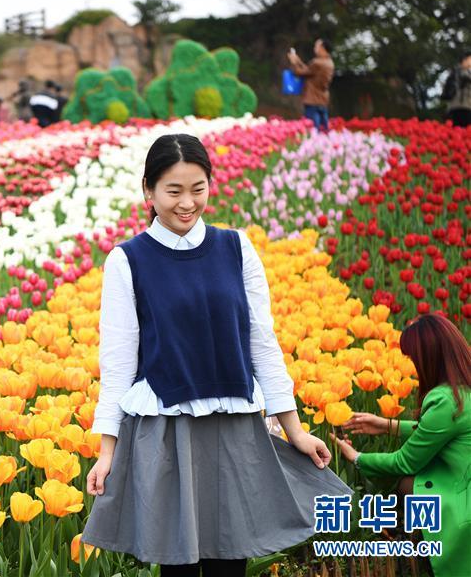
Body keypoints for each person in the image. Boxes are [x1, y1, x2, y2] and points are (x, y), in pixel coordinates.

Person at [81, 134, 352, 577]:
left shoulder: (236, 248)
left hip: (236, 428)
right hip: (168, 431)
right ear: (148, 190)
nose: (187, 203)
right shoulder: (128, 260)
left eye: (198, 188)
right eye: (173, 191)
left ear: (210, 184)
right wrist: (107, 451)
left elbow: (262, 343)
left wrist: (295, 430)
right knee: (180, 566)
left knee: (232, 560)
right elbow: (118, 365)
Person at [333, 314, 471, 577]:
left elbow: (405, 461)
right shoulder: (463, 387)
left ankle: (419, 551)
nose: (412, 366)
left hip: (464, 501)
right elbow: (437, 431)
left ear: (429, 358)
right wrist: (387, 425)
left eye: (412, 358)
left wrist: (357, 457)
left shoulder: (446, 400)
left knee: (407, 481)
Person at [287, 38, 334, 132]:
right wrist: (298, 61)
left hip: (312, 100)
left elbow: (300, 72)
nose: (315, 48)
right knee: (324, 130)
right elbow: (310, 71)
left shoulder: (318, 62)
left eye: (316, 46)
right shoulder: (329, 62)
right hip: (322, 100)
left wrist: (293, 62)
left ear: (322, 48)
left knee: (313, 131)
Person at [441, 51, 471, 127]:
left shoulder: (457, 71)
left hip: (461, 106)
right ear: (464, 60)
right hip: (461, 106)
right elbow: (465, 77)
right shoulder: (460, 71)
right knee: (463, 130)